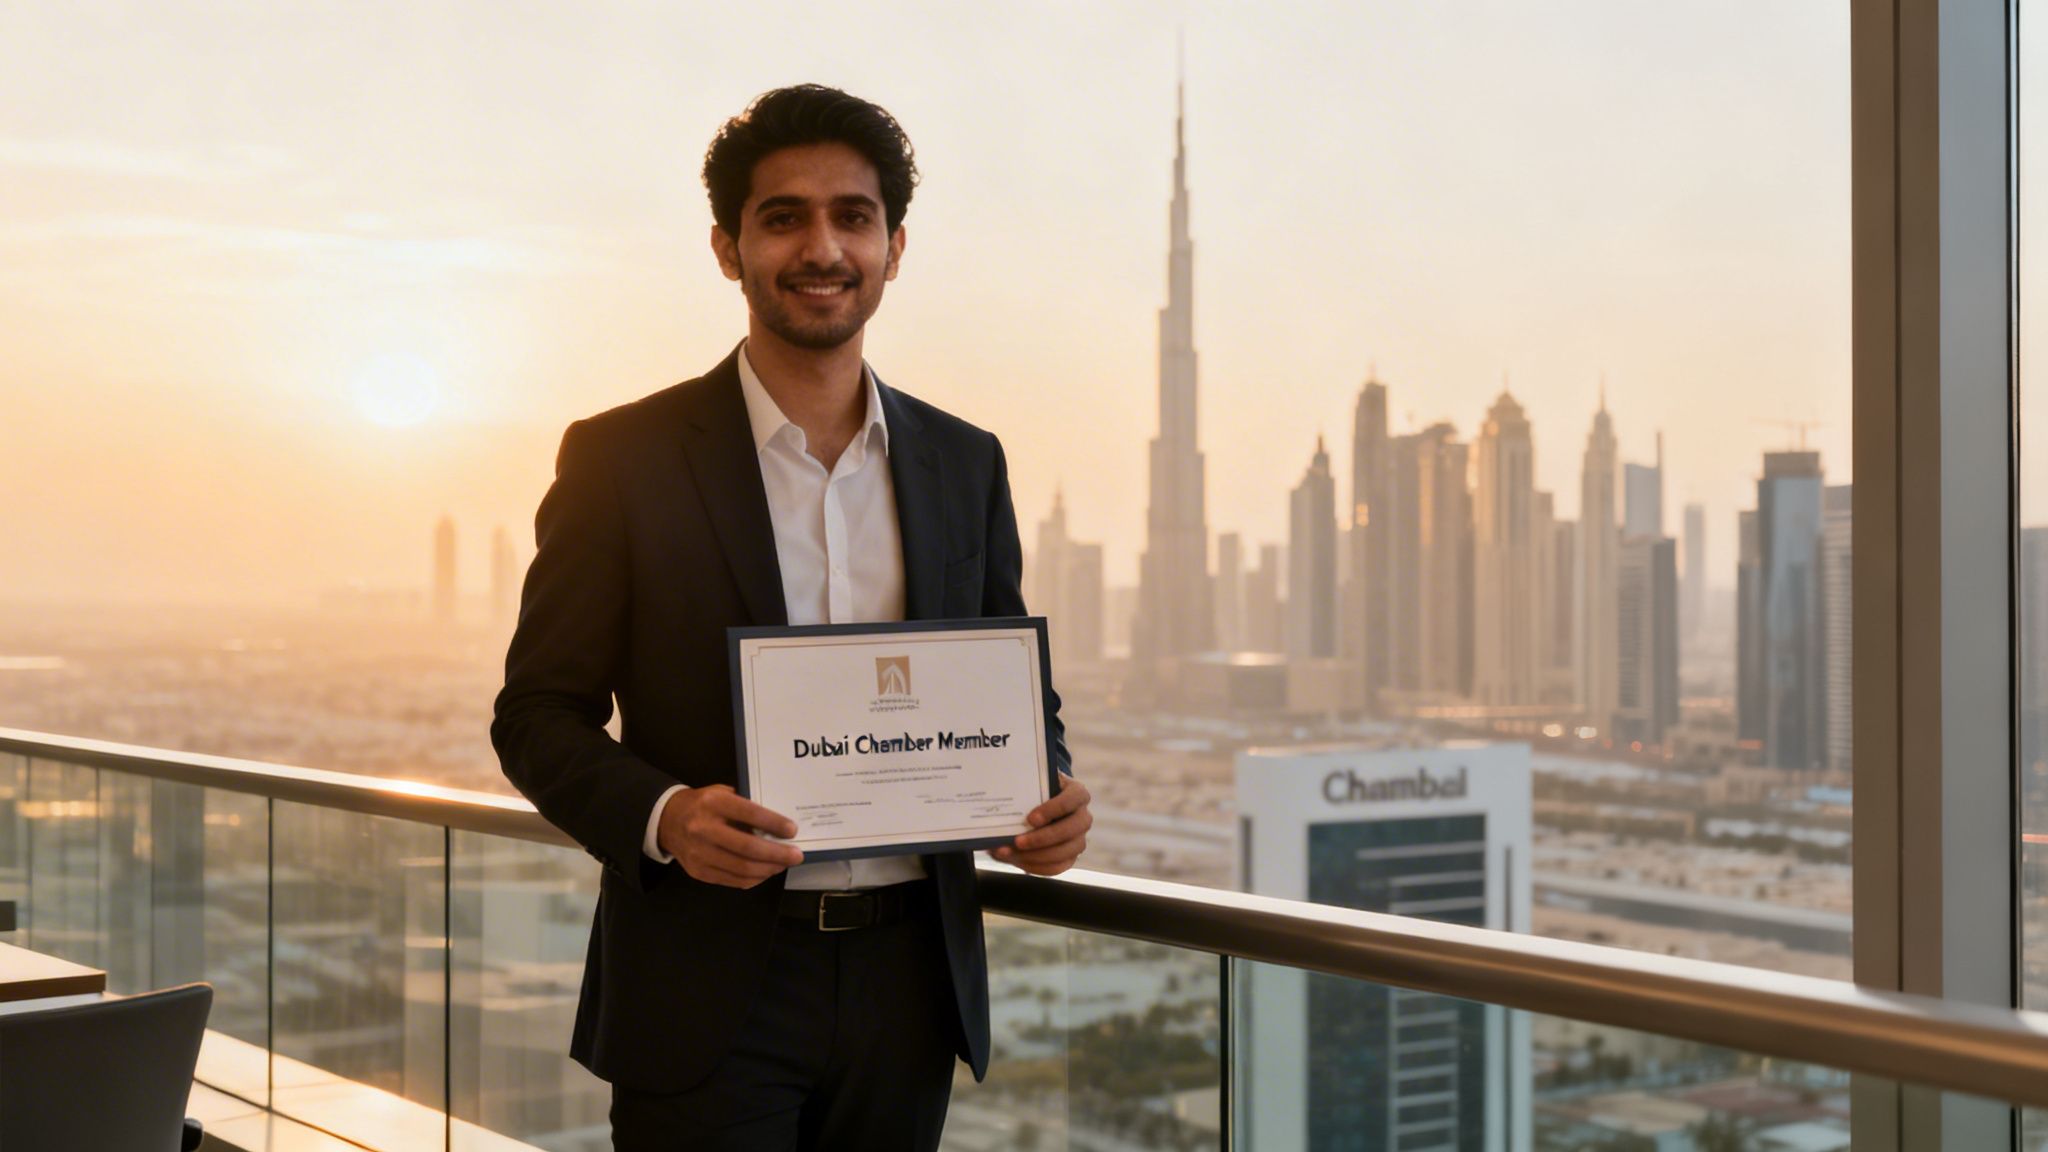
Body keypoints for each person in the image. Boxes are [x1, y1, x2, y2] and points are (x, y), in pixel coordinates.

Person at [491, 84, 1092, 1151]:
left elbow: (1006, 683)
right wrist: (664, 815)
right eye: (784, 218)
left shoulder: (965, 461)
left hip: (910, 982)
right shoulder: (621, 459)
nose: (822, 247)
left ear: (894, 247)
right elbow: (536, 714)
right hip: (707, 983)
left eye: (852, 217)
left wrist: (1040, 790)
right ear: (728, 248)